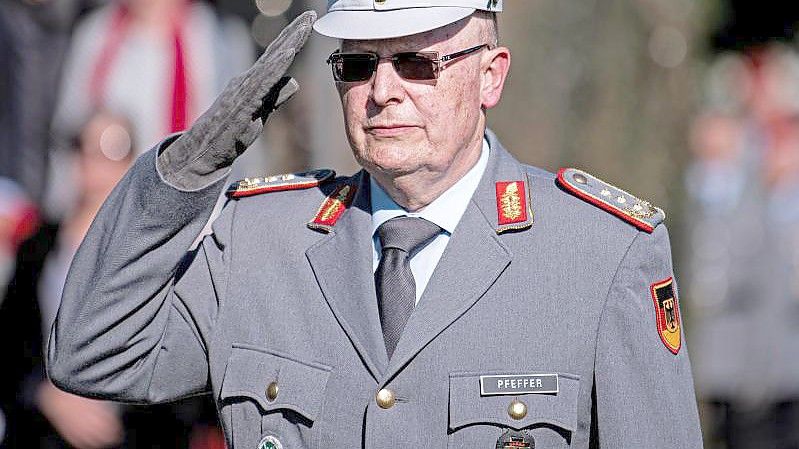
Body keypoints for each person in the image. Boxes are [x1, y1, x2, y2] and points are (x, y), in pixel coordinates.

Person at [47, 1, 704, 448]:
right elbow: (92, 352)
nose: (383, 90)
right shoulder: (261, 236)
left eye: (418, 63)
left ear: (490, 77)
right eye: (358, 65)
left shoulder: (600, 251)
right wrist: (182, 179)